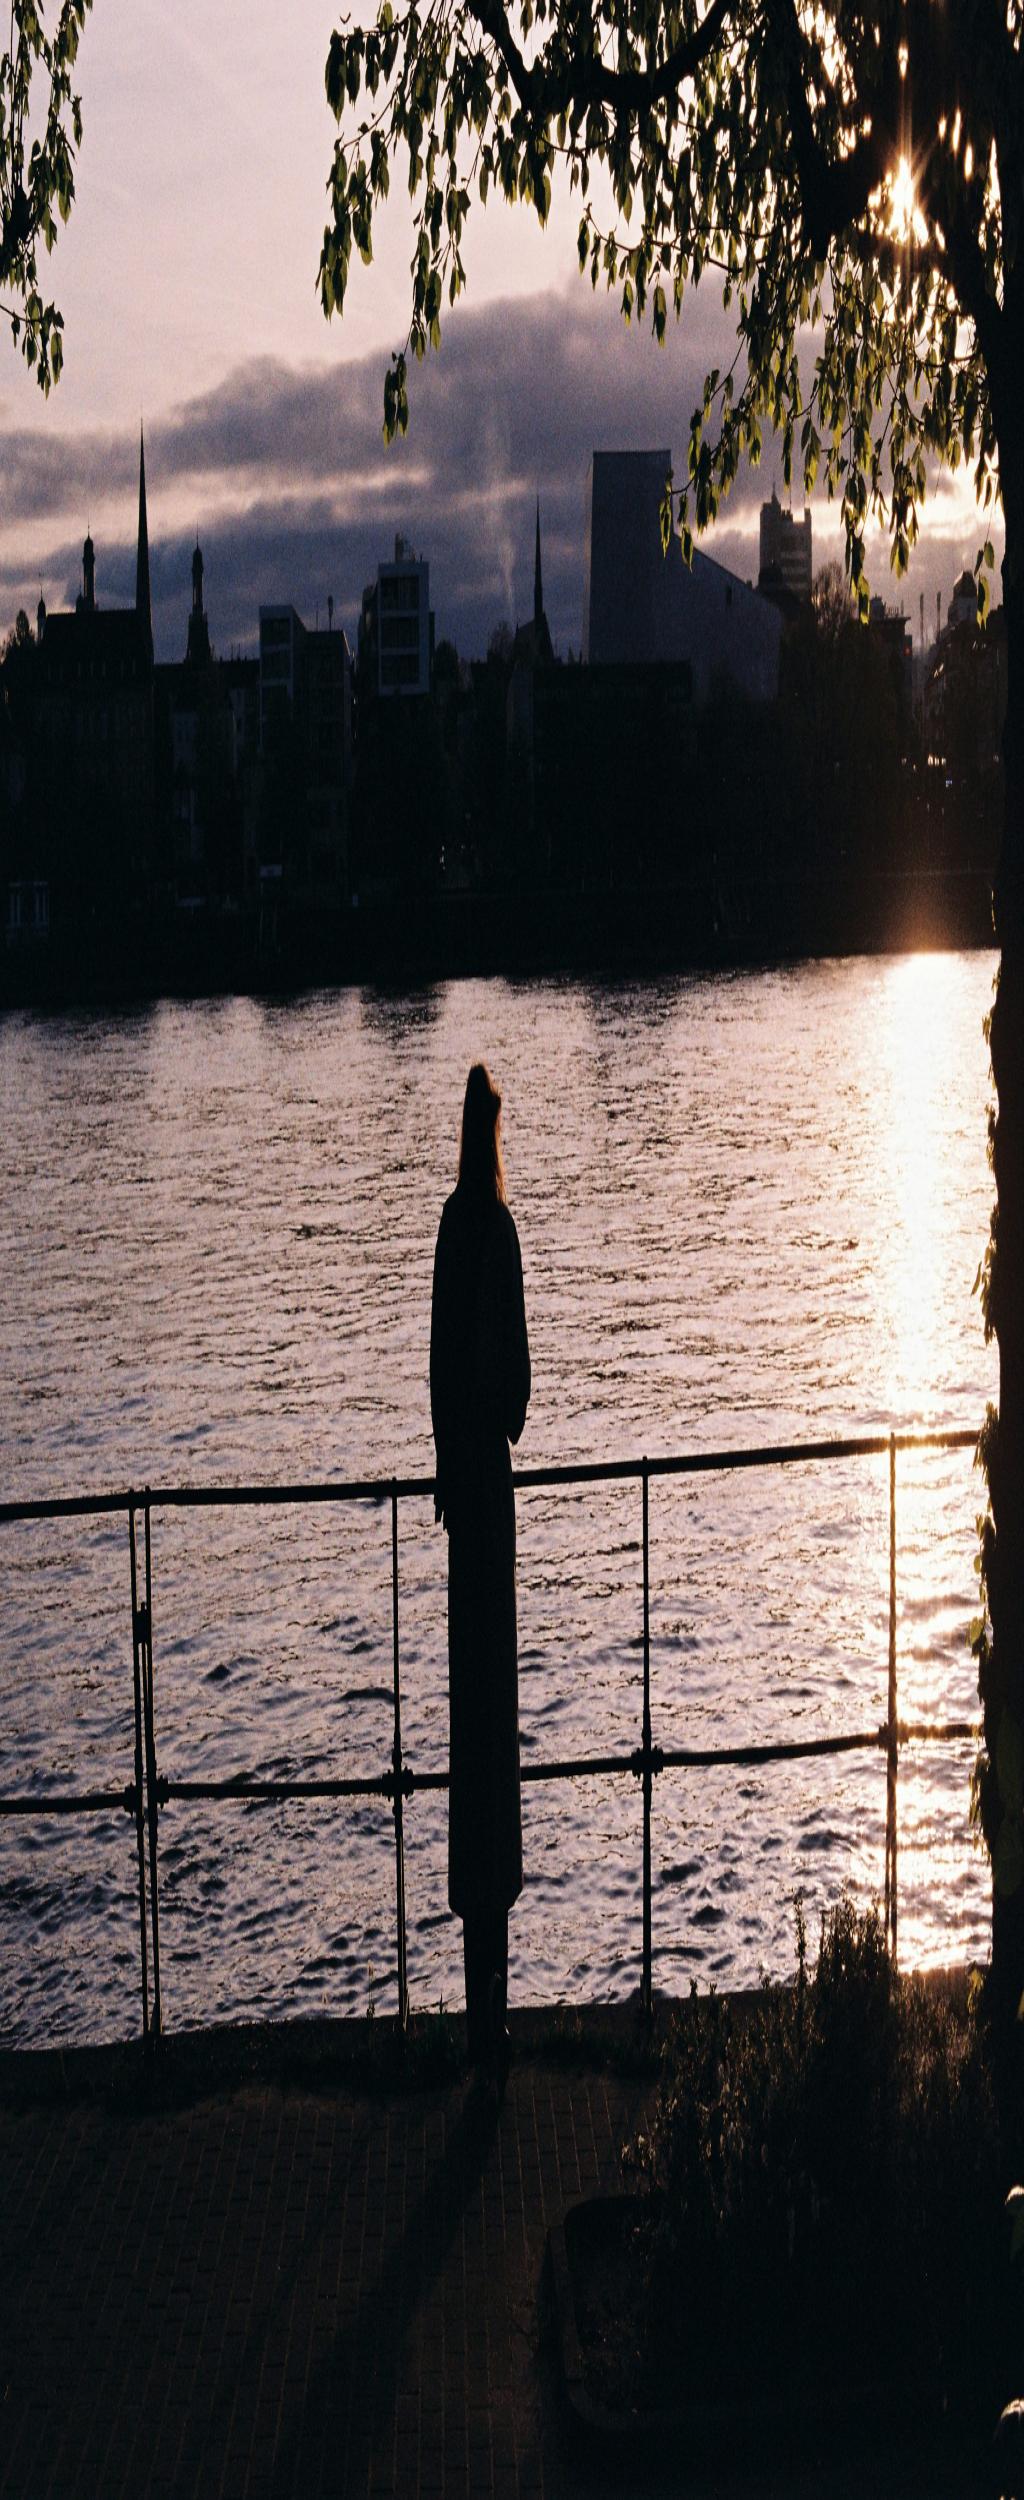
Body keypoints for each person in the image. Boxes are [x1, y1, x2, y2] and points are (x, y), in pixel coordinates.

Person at [430, 1062, 531, 2087]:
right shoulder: (494, 1229)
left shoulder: (449, 1229)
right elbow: (517, 1387)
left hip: (459, 1486)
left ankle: (474, 2009)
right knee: (495, 1718)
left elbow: (437, 1361)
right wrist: (498, 1419)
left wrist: (444, 1458)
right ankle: (493, 2016)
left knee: (468, 1718)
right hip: (491, 1490)